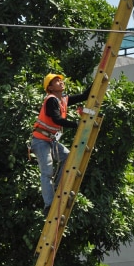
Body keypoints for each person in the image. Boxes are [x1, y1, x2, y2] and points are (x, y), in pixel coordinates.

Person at [30, 73, 91, 216]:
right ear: (50, 88)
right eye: (56, 81)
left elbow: (84, 96)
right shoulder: (51, 100)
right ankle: (49, 205)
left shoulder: (62, 100)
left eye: (60, 80)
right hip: (40, 141)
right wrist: (77, 124)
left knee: (67, 156)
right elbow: (57, 119)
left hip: (50, 140)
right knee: (47, 172)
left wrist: (97, 82)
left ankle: (58, 187)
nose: (60, 82)